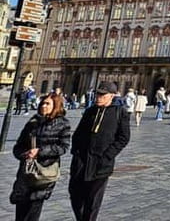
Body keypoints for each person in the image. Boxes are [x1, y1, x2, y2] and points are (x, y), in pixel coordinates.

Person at [69, 81, 131, 220]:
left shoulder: (119, 113)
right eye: (98, 94)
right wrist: (76, 152)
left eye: (103, 95)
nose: (99, 97)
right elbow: (78, 133)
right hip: (82, 160)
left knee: (93, 200)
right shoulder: (90, 111)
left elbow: (123, 138)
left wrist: (108, 155)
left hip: (101, 162)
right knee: (75, 195)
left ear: (112, 96)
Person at [10, 93, 71, 221]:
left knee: (33, 210)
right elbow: (18, 146)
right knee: (20, 210)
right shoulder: (33, 122)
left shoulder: (63, 124)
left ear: (56, 106)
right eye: (42, 103)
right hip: (25, 172)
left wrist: (40, 151)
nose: (43, 106)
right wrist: (24, 154)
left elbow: (64, 147)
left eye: (47, 104)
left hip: (43, 173)